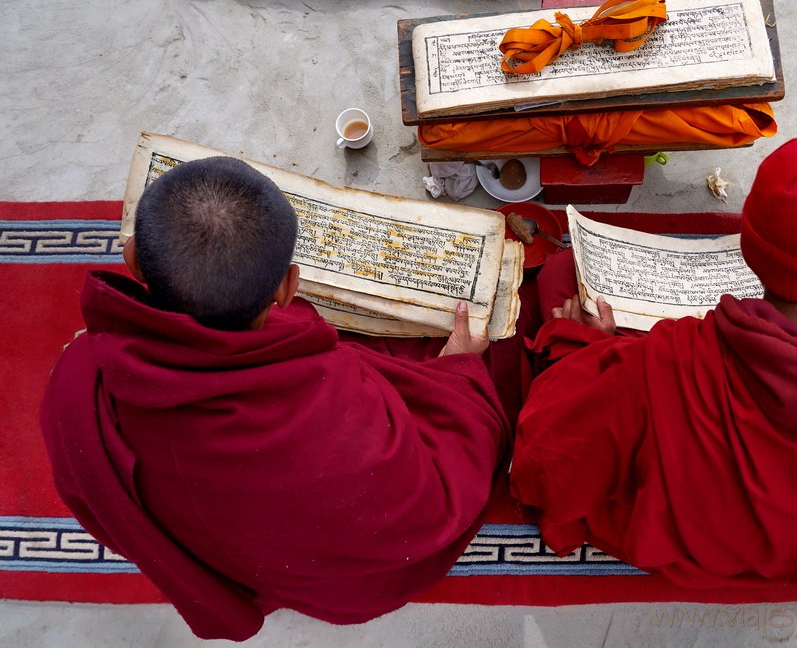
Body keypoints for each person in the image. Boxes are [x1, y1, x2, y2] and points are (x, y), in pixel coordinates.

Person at [39, 157, 511, 640]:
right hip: (342, 585)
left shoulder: (79, 376)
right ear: (289, 287)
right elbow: (432, 507)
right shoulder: (336, 403)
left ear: (133, 257)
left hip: (233, 558)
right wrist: (458, 372)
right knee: (481, 366)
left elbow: (99, 505)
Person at [510, 132, 797, 592]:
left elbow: (544, 464)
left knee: (562, 276)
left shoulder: (655, 367)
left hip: (676, 544)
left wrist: (580, 348)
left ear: (748, 242)